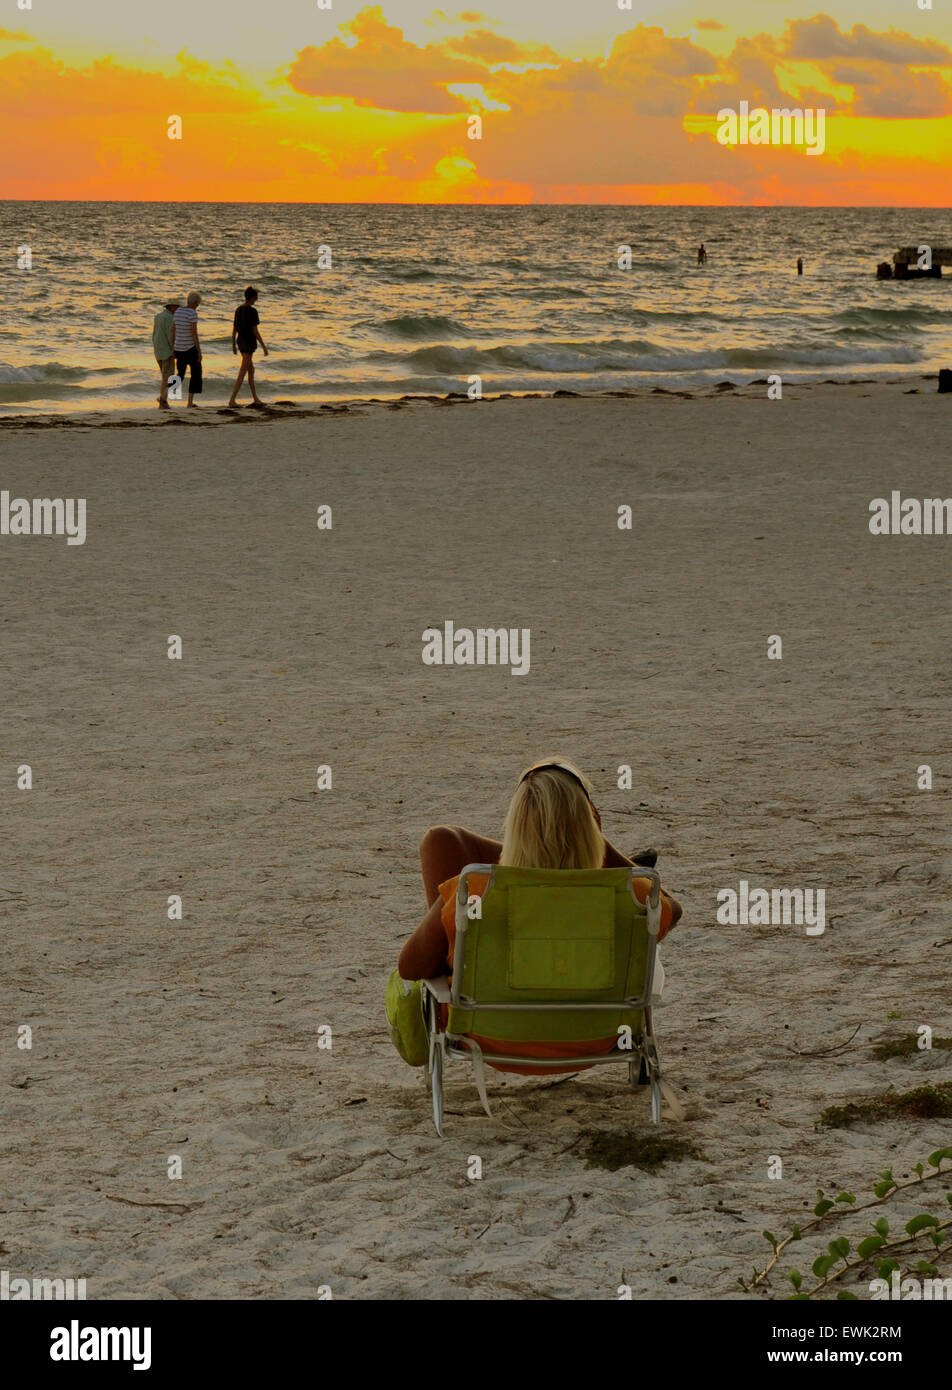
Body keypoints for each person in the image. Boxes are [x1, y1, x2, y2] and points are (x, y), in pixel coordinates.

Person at [392, 758, 682, 1072]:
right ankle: (561, 841)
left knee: (442, 847)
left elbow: (410, 967)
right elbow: (673, 909)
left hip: (488, 1038)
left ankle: (523, 859)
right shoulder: (634, 896)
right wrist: (597, 844)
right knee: (442, 840)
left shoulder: (475, 891)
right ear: (592, 826)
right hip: (597, 1039)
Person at [228, 286, 269, 408]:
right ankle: (232, 400)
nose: (256, 300)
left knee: (251, 369)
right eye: (256, 298)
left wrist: (233, 344)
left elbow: (234, 328)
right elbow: (255, 331)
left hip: (240, 342)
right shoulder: (252, 311)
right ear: (252, 298)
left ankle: (256, 398)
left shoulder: (238, 310)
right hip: (249, 343)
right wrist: (263, 346)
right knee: (243, 371)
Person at [173, 291, 203, 407]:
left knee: (180, 374)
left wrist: (173, 347)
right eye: (198, 304)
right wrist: (199, 351)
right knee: (196, 374)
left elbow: (173, 330)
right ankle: (190, 402)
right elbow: (194, 333)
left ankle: (164, 395)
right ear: (195, 303)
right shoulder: (192, 313)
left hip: (179, 348)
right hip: (190, 348)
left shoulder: (178, 311)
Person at [152, 298, 179, 409]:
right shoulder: (171, 318)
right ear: (171, 306)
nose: (178, 309)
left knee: (165, 377)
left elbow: (154, 334)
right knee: (169, 377)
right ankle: (162, 399)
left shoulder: (158, 317)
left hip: (158, 350)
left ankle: (163, 402)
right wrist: (174, 350)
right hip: (167, 351)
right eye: (177, 307)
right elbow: (170, 336)